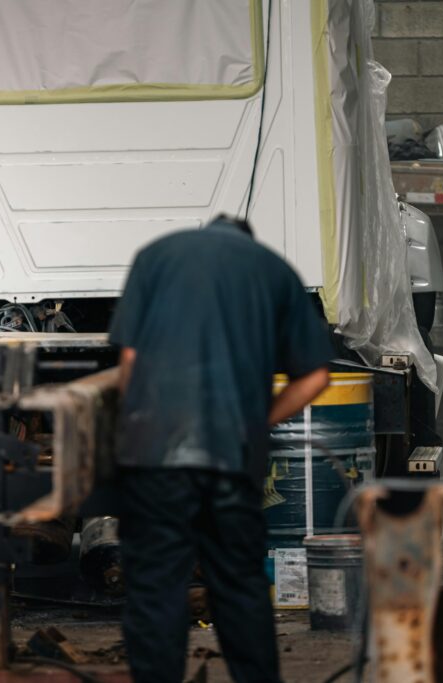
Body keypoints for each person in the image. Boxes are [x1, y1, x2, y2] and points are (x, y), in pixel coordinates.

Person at [108, 214, 333, 683]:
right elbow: (315, 377)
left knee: (155, 590)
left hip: (154, 457)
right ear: (246, 238)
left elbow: (130, 360)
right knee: (239, 587)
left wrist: (133, 426)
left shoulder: (156, 256)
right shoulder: (276, 272)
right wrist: (257, 420)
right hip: (232, 457)